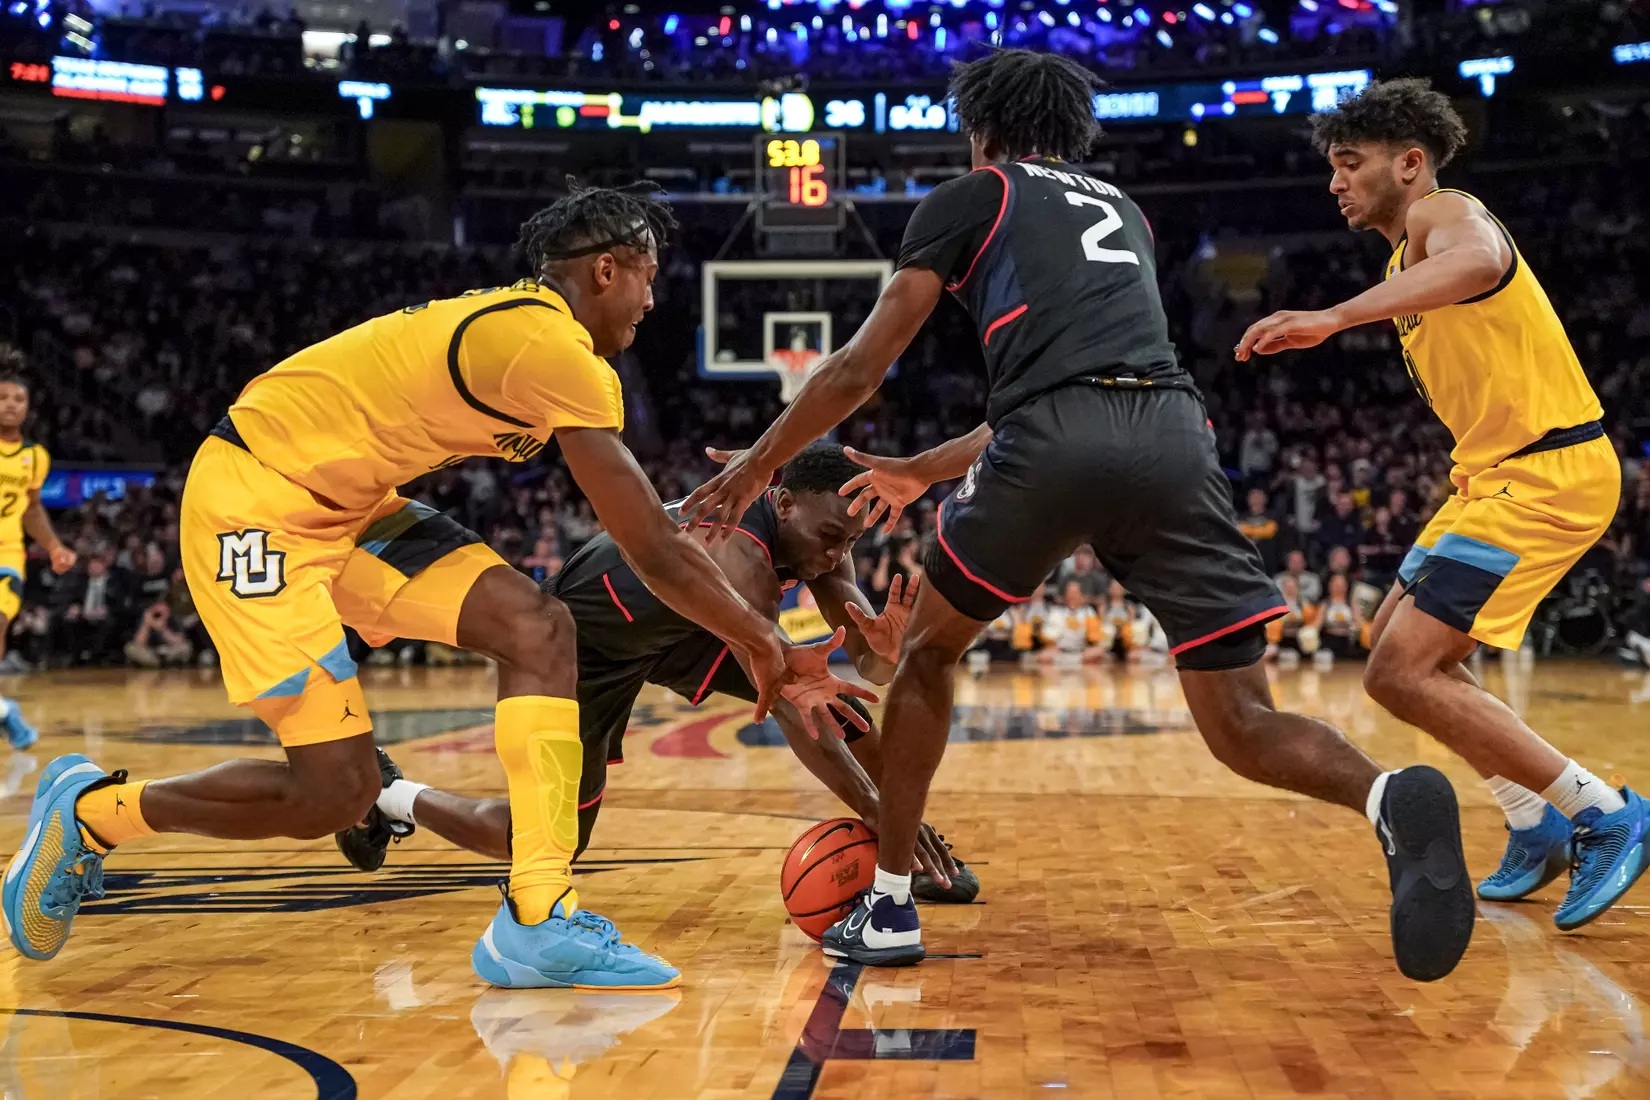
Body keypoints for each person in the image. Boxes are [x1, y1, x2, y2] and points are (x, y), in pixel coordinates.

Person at [682, 50, 1473, 980]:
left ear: (982, 129)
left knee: (928, 653)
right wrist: (923, 469)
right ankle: (1387, 798)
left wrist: (752, 467)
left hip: (1055, 435)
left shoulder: (974, 194)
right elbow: (1081, 378)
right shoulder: (1122, 211)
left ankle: (891, 904)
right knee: (1243, 722)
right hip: (1177, 435)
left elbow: (858, 369)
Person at [3, 183, 868, 989]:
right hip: (252, 503)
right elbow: (652, 545)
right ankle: (95, 812)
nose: (651, 301)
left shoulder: (539, 340)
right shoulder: (553, 346)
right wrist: (767, 644)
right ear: (607, 268)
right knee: (333, 794)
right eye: (646, 278)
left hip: (351, 508)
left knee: (539, 627)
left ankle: (536, 916)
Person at [1237, 78, 1638, 930]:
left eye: (1351, 164)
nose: (1334, 182)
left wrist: (1334, 317)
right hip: (1493, 477)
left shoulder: (1443, 213)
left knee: (1402, 669)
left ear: (1410, 164)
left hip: (1546, 477)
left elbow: (1484, 259)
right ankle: (1533, 823)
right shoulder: (1401, 259)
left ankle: (1602, 810)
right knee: (1390, 646)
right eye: (1332, 167)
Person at [336, 443, 978, 907]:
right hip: (582, 643)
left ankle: (907, 855)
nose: (837, 553)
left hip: (678, 632)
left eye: (849, 541)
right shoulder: (739, 554)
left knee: (845, 710)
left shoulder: (823, 546)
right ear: (781, 504)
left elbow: (864, 664)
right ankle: (385, 795)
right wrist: (874, 809)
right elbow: (787, 697)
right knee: (544, 839)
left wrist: (889, 652)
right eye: (831, 535)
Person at [0, 360, 76, 742]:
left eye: (19, 399)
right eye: (3, 398)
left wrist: (53, 545)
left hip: (7, 552)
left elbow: (31, 508)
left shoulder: (35, 456)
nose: (11, 405)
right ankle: (3, 710)